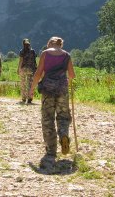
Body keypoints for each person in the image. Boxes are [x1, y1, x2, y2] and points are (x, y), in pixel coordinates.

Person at [29, 36, 76, 168]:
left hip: (47, 90)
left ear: (49, 43)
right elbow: (72, 75)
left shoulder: (45, 53)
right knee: (63, 117)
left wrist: (31, 89)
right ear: (60, 44)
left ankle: (51, 151)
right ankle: (64, 135)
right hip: (62, 90)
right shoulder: (67, 55)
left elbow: (38, 73)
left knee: (48, 119)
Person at [17, 38, 37, 104]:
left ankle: (23, 98)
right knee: (30, 84)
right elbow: (34, 61)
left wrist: (18, 69)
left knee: (23, 84)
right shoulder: (32, 51)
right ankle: (30, 98)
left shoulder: (22, 51)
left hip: (23, 69)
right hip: (31, 69)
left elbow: (20, 61)